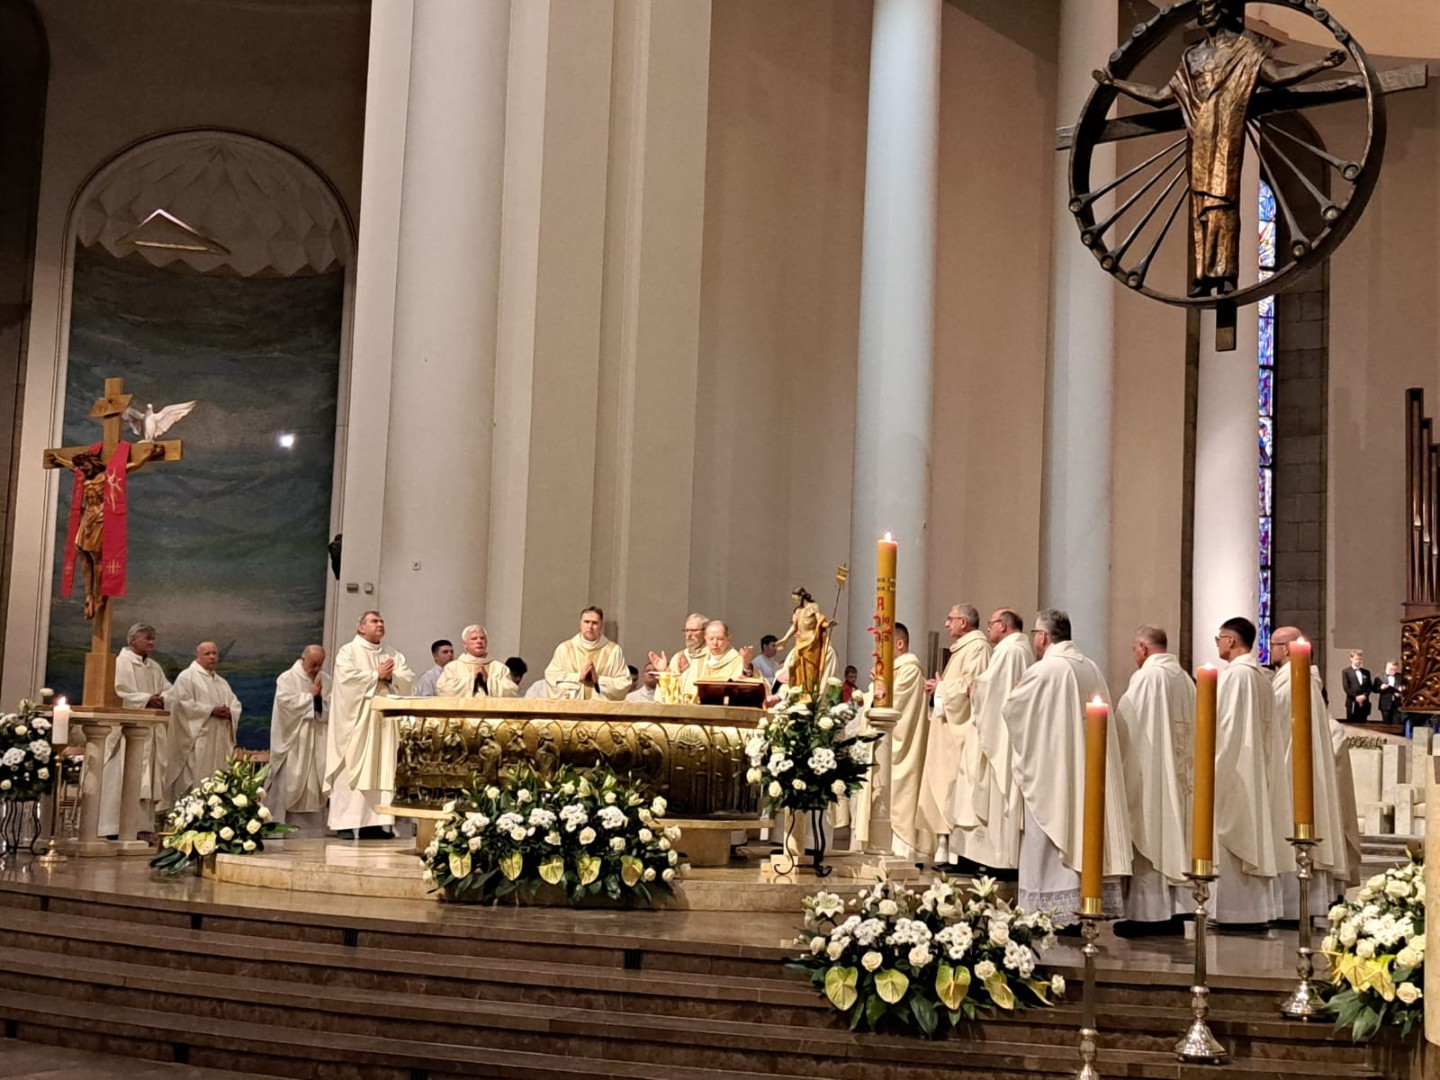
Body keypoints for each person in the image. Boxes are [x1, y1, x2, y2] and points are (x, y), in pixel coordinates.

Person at [1095, 0, 1346, 296]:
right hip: (1200, 138)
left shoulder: (1245, 49)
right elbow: (1161, 96)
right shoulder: (1191, 56)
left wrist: (1320, 64)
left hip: (1227, 134)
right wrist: (1117, 84)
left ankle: (1225, 273)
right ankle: (1203, 275)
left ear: (1224, 9)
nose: (1205, 10)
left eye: (1211, 3)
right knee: (1201, 207)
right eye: (1201, 5)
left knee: (1222, 203)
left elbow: (1276, 77)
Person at [1003, 608, 1130, 927]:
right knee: (1084, 831)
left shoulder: (1046, 670)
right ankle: (1081, 906)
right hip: (1088, 771)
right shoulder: (1091, 667)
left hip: (1054, 773)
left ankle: (1048, 913)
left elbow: (1014, 711)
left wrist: (1014, 691)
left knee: (1049, 837)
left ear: (1044, 637)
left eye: (1035, 635)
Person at [1113, 626, 1193, 936]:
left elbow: (1127, 724)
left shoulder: (1148, 677)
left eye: (1134, 649)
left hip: (1152, 774)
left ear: (1143, 648)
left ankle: (1147, 915)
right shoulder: (1184, 680)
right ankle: (1176, 912)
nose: (1134, 655)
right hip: (1182, 775)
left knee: (1151, 834)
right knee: (1175, 838)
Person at [1270, 627, 1354, 916]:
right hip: (1301, 770)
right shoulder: (1306, 681)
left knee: (1290, 828)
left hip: (1291, 770)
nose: (1270, 650)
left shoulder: (1293, 682)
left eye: (1274, 644)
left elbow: (1276, 727)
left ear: (1287, 648)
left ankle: (1292, 907)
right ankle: (1303, 905)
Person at [1211, 617, 1282, 926]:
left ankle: (1234, 913)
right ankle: (1254, 911)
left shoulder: (1236, 676)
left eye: (1219, 639)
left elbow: (1226, 727)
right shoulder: (1261, 677)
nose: (1218, 644)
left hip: (1235, 770)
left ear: (1230, 640)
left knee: (1232, 835)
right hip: (1254, 767)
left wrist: (1208, 763)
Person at [954, 608, 1033, 875]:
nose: (989, 628)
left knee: (999, 796)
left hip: (1002, 735)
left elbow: (992, 690)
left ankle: (999, 860)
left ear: (1004, 625)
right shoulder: (1018, 650)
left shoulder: (1010, 652)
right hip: (1004, 732)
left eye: (992, 623)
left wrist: (973, 688)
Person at [326, 611, 415, 839]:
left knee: (381, 768)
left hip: (383, 722)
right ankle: (345, 823)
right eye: (374, 621)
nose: (380, 624)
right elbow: (346, 680)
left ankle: (374, 823)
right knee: (351, 768)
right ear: (361, 627)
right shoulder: (348, 651)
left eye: (382, 621)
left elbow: (407, 678)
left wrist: (391, 677)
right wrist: (376, 675)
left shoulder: (392, 653)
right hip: (357, 722)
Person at [921, 604, 991, 865]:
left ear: (964, 622)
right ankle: (943, 843)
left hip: (960, 732)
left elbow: (972, 687)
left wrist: (941, 688)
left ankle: (956, 850)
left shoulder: (978, 648)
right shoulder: (963, 647)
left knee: (954, 788)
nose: (946, 623)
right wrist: (939, 690)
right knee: (944, 786)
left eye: (951, 619)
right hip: (947, 729)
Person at [111, 621, 173, 835]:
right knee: (130, 777)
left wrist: (163, 699)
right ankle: (120, 827)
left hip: (152, 730)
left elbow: (169, 690)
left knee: (149, 778)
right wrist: (146, 699)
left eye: (153, 639)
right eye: (147, 638)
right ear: (132, 640)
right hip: (129, 732)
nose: (151, 643)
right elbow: (118, 692)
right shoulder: (120, 664)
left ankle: (143, 828)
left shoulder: (154, 667)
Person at [165, 641, 243, 803]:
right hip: (198, 738)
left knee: (218, 778)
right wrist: (210, 710)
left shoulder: (221, 682)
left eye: (215, 653)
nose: (212, 657)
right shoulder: (187, 677)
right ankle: (191, 813)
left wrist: (231, 712)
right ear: (197, 656)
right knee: (196, 778)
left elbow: (235, 703)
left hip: (219, 739)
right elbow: (181, 704)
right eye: (207, 654)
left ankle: (215, 812)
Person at [269, 645, 330, 828]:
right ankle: (283, 828)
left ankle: (313, 831)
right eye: (313, 664)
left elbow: (332, 707)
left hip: (317, 740)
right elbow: (285, 705)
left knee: (315, 784)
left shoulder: (326, 679)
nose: (317, 669)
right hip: (294, 741)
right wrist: (309, 697)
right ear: (303, 659)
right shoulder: (287, 678)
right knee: (288, 783)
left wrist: (318, 700)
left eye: (320, 665)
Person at [886, 623, 932, 860]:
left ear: (900, 644)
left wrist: (878, 692)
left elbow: (896, 705)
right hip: (887, 743)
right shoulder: (894, 669)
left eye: (884, 643)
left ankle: (904, 848)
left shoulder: (910, 670)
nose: (878, 650)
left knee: (902, 791)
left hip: (903, 745)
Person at [544, 606, 629, 700]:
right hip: (573, 707)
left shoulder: (614, 651)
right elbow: (551, 677)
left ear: (601, 626)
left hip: (600, 708)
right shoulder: (565, 649)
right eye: (586, 622)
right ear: (580, 624)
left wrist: (598, 679)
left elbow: (624, 682)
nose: (590, 627)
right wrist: (578, 677)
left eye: (595, 623)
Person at [775, 587, 836, 697]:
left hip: (811, 643)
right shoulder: (798, 611)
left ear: (802, 595)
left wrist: (827, 624)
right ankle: (797, 693)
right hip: (801, 644)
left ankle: (808, 694)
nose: (795, 601)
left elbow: (819, 620)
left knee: (809, 669)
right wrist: (784, 639)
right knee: (793, 666)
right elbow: (794, 627)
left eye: (796, 598)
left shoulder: (813, 606)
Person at [435, 625, 513, 699]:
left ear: (486, 642)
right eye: (474, 638)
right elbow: (442, 689)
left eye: (482, 638)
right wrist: (472, 679)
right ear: (465, 644)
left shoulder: (500, 668)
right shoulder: (452, 668)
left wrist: (488, 680)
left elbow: (512, 691)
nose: (479, 641)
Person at [1342, 650, 1373, 724]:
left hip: (1364, 702)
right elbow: (1346, 687)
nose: (1358, 661)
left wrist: (1364, 695)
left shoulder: (1366, 672)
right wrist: (1356, 697)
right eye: (1356, 659)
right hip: (1352, 701)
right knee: (1352, 724)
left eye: (1360, 659)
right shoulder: (1346, 671)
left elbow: (1369, 686)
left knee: (1363, 723)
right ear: (1351, 659)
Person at [1377, 660, 1404, 726]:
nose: (1393, 671)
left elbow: (1405, 688)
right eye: (1391, 669)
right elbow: (1374, 689)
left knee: (1397, 723)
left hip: (1397, 704)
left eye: (1395, 670)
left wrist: (1401, 692)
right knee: (1386, 724)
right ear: (1386, 667)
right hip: (1385, 704)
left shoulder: (1400, 676)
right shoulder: (1379, 676)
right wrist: (1381, 688)